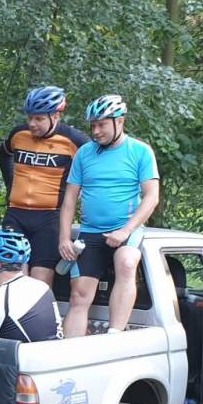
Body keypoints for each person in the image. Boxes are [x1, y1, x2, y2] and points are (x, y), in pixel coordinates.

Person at [57, 94, 160, 338]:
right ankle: (69, 351)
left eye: (101, 125)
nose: (95, 131)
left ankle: (114, 335)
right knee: (78, 295)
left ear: (120, 121)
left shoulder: (140, 151)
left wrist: (126, 230)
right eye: (93, 125)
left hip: (125, 229)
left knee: (126, 262)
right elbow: (69, 199)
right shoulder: (84, 153)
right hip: (90, 232)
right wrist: (64, 238)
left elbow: (151, 197)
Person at [0, 86, 89, 286]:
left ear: (55, 116)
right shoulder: (19, 134)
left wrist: (77, 192)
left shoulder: (73, 140)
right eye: (30, 117)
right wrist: (11, 186)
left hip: (49, 218)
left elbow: (97, 167)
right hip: (16, 215)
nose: (32, 124)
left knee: (40, 281)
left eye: (39, 119)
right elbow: (4, 155)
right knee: (13, 280)